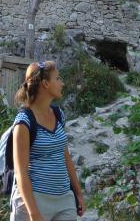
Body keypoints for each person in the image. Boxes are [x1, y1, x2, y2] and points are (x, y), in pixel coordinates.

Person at [10, 60, 85, 221]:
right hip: (34, 201)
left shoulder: (58, 115)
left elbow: (65, 156)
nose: (62, 83)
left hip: (64, 199)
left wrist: (78, 194)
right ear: (45, 84)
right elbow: (20, 173)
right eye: (58, 79)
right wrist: (34, 214)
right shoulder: (23, 123)